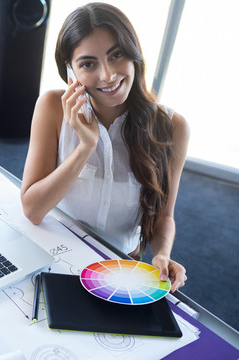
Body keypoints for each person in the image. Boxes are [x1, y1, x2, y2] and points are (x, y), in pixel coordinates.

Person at [20, 2, 188, 292]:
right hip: (55, 254)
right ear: (70, 73)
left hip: (120, 266)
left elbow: (164, 216)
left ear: (134, 54)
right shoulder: (51, 107)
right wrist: (85, 146)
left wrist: (162, 254)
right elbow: (33, 210)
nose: (107, 75)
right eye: (88, 64)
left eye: (116, 55)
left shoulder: (173, 127)